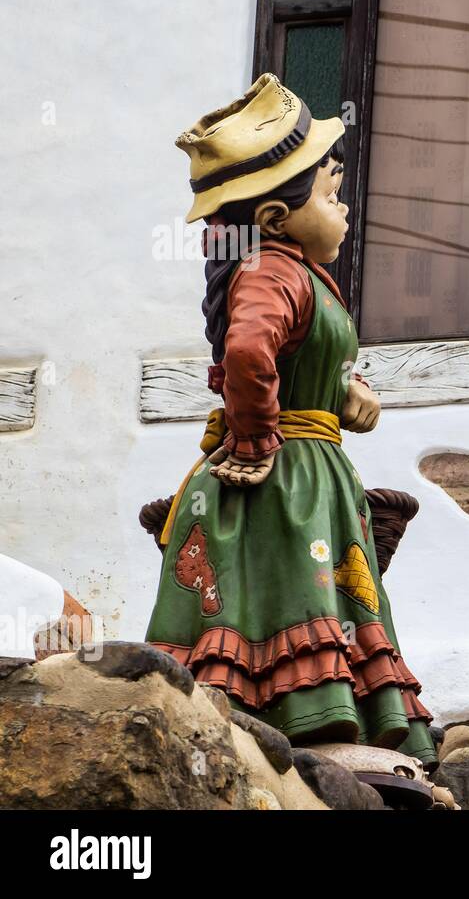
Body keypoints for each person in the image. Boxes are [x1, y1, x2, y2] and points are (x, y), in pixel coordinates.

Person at [146, 75, 436, 767]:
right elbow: (249, 350)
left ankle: (320, 729)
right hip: (288, 478)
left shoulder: (296, 272)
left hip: (313, 467)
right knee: (284, 591)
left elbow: (298, 356)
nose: (343, 211)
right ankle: (307, 725)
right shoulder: (273, 271)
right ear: (276, 217)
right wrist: (254, 437)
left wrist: (344, 390)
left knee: (307, 588)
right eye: (332, 196)